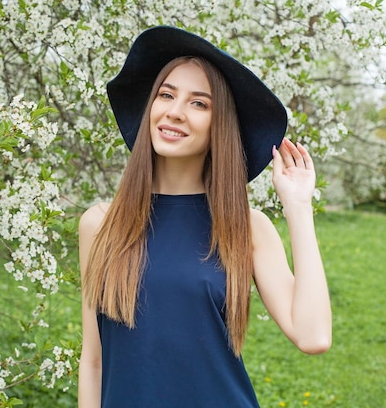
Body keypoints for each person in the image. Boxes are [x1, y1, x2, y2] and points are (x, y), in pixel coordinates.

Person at [78, 26, 332, 408]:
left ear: (220, 126)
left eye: (199, 103)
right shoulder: (99, 224)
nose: (175, 112)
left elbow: (313, 336)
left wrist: (297, 206)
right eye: (166, 95)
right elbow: (94, 362)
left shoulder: (247, 227)